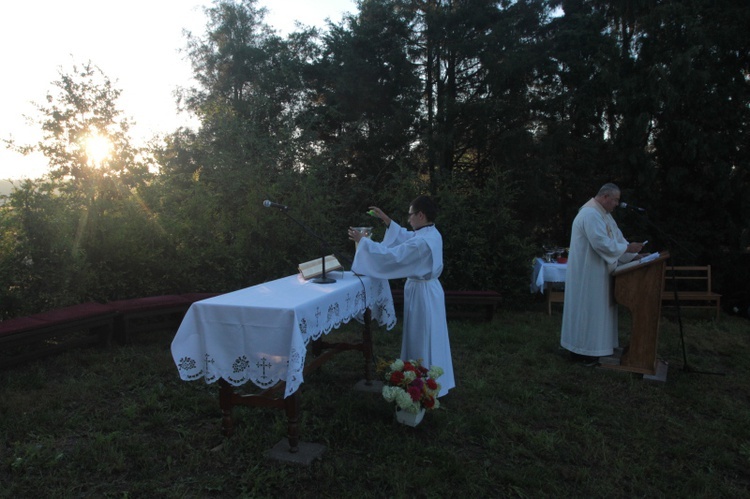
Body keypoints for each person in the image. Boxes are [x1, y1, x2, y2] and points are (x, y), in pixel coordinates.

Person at [347, 196, 455, 397]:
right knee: (431, 332)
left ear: (421, 215)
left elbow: (393, 257)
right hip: (430, 291)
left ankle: (422, 383)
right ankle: (431, 379)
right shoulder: (431, 233)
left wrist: (364, 243)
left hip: (422, 295)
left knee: (422, 334)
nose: (408, 219)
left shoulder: (422, 242)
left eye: (411, 215)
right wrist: (387, 221)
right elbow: (407, 237)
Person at [560, 183, 646, 362]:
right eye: (615, 200)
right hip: (588, 275)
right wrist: (627, 248)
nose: (617, 204)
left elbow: (617, 239)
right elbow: (601, 243)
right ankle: (582, 352)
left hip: (600, 273)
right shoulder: (590, 214)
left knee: (598, 314)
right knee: (588, 312)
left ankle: (597, 348)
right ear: (605, 197)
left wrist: (634, 256)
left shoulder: (604, 215)